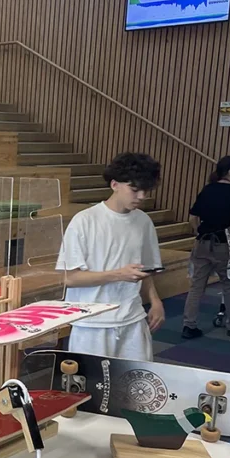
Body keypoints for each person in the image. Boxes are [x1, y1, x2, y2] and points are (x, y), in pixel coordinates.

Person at [56, 152, 164, 361]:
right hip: (91, 322)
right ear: (114, 184)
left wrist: (155, 300)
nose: (141, 196)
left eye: (146, 190)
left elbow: (145, 270)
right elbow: (70, 278)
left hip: (133, 318)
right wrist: (118, 275)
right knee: (91, 381)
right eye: (135, 190)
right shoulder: (84, 221)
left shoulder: (143, 222)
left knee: (136, 379)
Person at [182, 155, 230, 339]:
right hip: (224, 244)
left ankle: (189, 325)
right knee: (229, 284)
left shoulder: (208, 189)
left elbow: (193, 217)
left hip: (202, 242)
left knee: (197, 286)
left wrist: (199, 232)